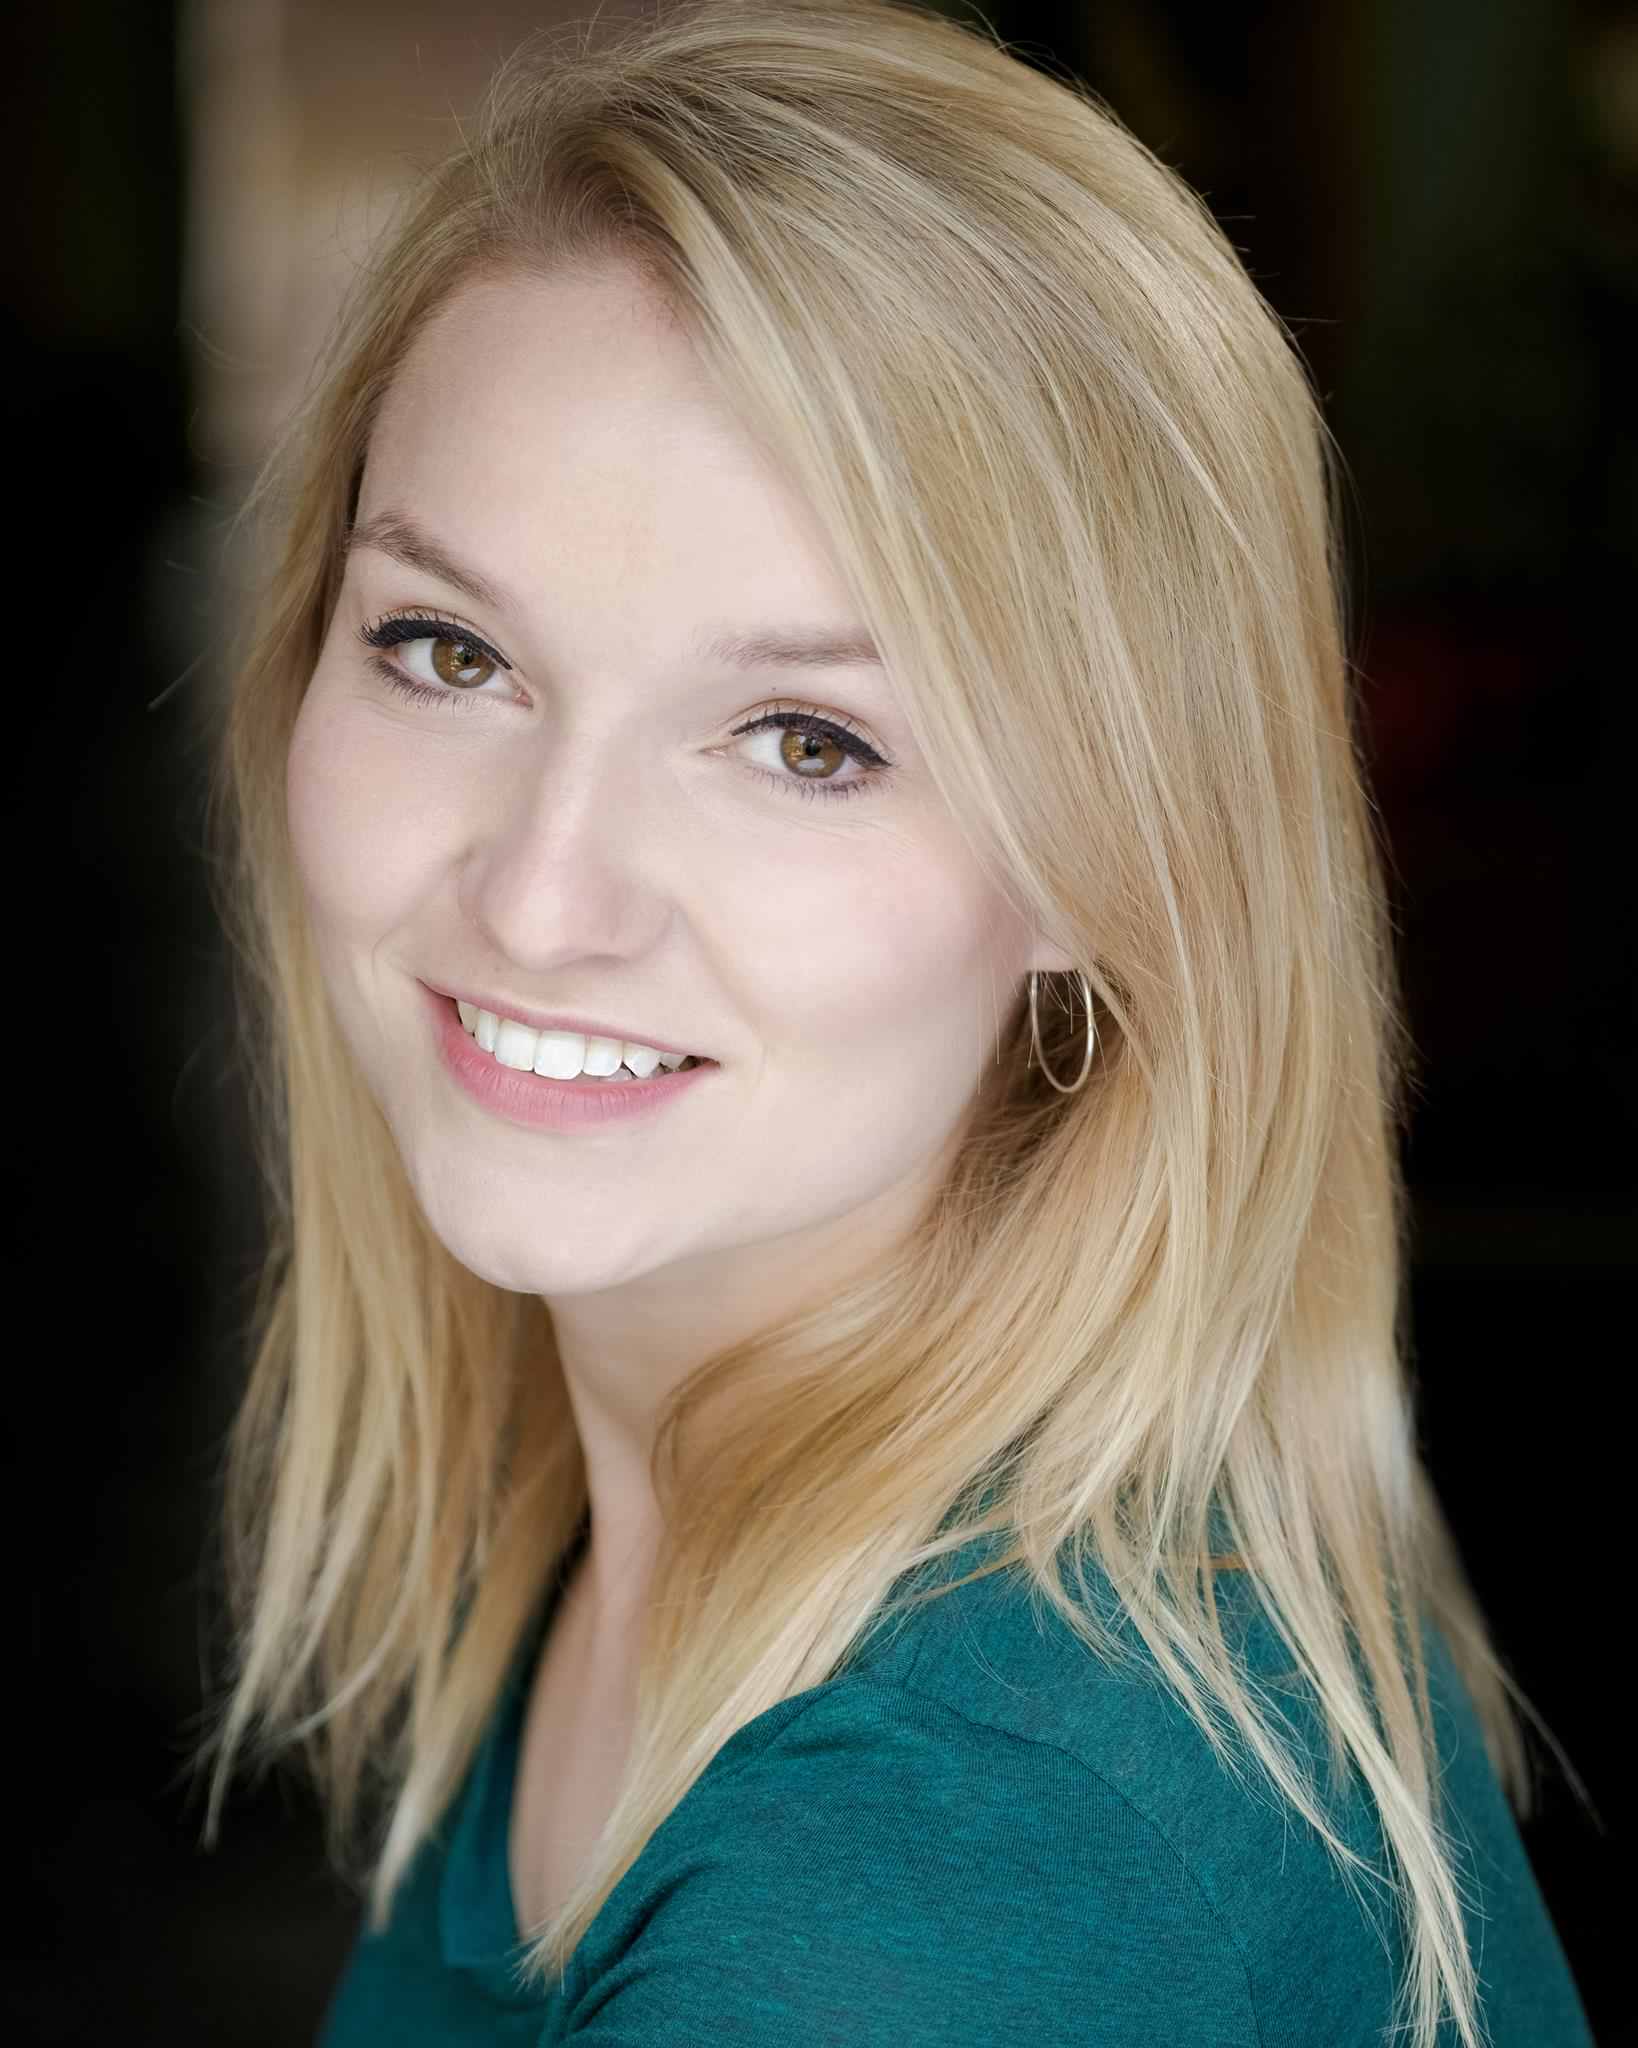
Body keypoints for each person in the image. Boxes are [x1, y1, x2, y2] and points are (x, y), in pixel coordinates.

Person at [191, 2, 1596, 2042]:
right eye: (448, 647)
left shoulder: (938, 1887)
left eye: (803, 739)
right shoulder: (733, 1490)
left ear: (1115, 859)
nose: (541, 895)